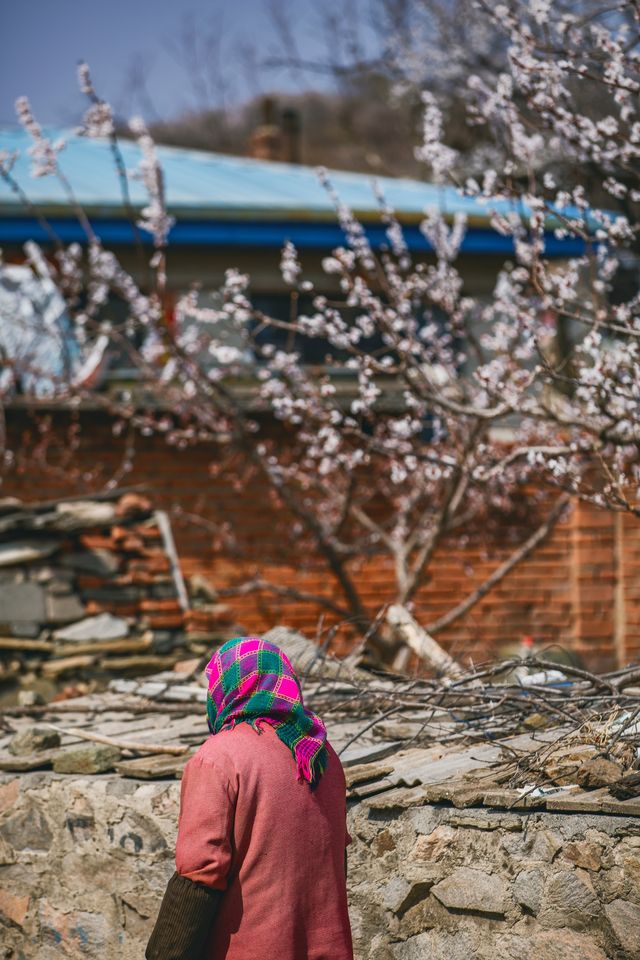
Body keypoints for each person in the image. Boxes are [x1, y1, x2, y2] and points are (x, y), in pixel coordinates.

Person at [146, 635, 354, 960]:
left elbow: (200, 871)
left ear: (225, 688)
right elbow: (333, 860)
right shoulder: (320, 754)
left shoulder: (218, 758)